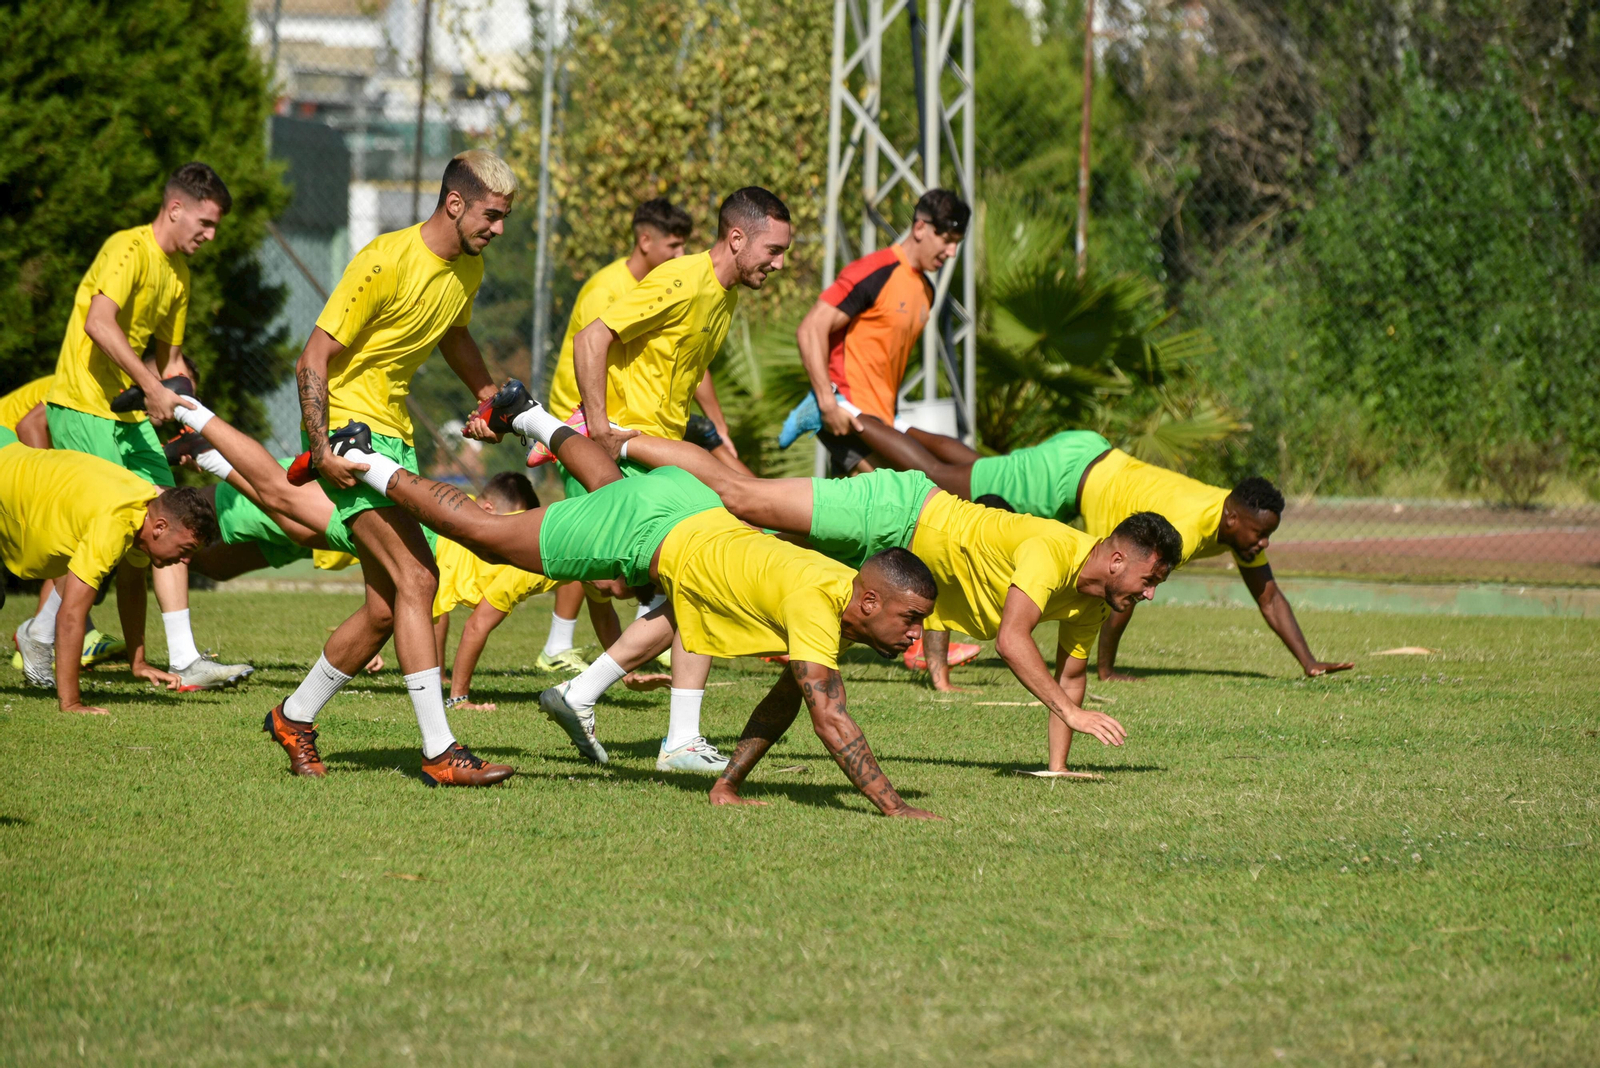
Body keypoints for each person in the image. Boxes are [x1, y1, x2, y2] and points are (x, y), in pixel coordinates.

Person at [330, 394, 945, 817]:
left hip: (686, 502)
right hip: (647, 529)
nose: (915, 634)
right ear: (870, 600)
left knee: (607, 486)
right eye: (911, 618)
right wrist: (895, 807)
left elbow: (787, 699)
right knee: (486, 536)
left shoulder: (838, 592)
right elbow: (830, 719)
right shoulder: (818, 602)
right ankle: (364, 458)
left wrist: (727, 784)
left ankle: (528, 413)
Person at [620, 435, 1169, 771]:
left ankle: (601, 690)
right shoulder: (1052, 550)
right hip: (895, 513)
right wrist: (1071, 712)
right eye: (1149, 579)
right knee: (741, 497)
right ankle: (614, 441)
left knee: (733, 552)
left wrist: (1058, 767)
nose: (1148, 593)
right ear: (1117, 559)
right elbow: (1012, 639)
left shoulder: (1093, 603)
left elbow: (1070, 677)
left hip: (892, 573)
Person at [272, 149, 519, 786]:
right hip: (349, 434)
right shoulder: (384, 259)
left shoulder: (469, 267)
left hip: (395, 434)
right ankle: (440, 752)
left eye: (504, 218)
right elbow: (312, 357)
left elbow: (454, 335)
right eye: (491, 216)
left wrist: (486, 398)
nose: (498, 229)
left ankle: (293, 717)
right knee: (419, 578)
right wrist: (321, 448)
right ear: (455, 204)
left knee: (386, 610)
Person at [42, 162, 250, 690]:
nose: (209, 236)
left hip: (128, 415)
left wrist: (186, 418)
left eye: (215, 227)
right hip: (82, 406)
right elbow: (98, 323)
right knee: (103, 532)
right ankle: (39, 632)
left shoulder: (179, 274)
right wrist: (153, 388)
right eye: (204, 223)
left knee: (168, 516)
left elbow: (172, 361)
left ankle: (181, 658)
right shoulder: (128, 249)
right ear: (175, 209)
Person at [535, 198, 696, 676]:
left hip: (623, 429)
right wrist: (592, 429)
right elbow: (592, 350)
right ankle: (575, 648)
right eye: (673, 245)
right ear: (645, 240)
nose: (680, 254)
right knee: (597, 549)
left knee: (612, 547)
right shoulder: (607, 290)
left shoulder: (664, 286)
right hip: (584, 428)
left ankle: (616, 645)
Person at [569, 186, 790, 465]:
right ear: (737, 239)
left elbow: (690, 363)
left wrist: (719, 428)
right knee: (733, 489)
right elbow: (589, 339)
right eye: (773, 250)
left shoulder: (727, 295)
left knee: (732, 487)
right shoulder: (681, 282)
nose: (780, 264)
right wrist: (601, 430)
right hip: (626, 447)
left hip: (661, 448)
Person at [0, 437, 216, 714]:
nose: (185, 560)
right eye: (185, 549)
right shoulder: (114, 524)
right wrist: (72, 703)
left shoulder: (144, 509)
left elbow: (132, 586)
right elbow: (70, 616)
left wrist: (138, 662)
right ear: (160, 527)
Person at [778, 188, 972, 476]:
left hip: (883, 423)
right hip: (847, 410)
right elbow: (810, 329)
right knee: (897, 495)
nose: (952, 252)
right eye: (947, 240)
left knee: (854, 504)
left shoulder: (927, 292)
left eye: (957, 243)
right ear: (920, 228)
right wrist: (828, 403)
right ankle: (814, 410)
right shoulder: (875, 271)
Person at [2, 375, 127, 671]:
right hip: (9, 455)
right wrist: (47, 489)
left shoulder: (117, 392)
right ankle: (41, 639)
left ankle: (52, 636)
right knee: (66, 539)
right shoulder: (87, 381)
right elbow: (29, 425)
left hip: (15, 461)